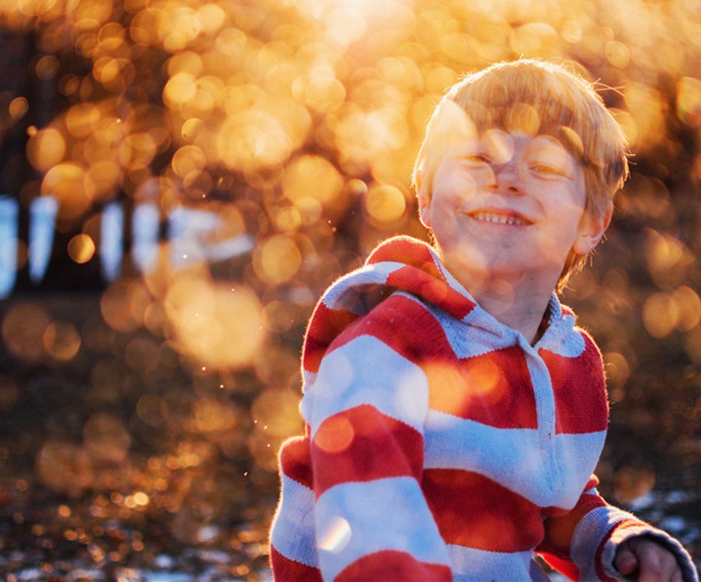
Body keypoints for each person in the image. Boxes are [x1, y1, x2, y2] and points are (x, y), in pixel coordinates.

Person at [269, 59, 699, 582]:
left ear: (590, 223)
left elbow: (551, 497)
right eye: (477, 156)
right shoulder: (386, 345)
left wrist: (615, 541)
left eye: (543, 167)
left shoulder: (568, 359)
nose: (506, 177)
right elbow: (368, 514)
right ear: (425, 196)